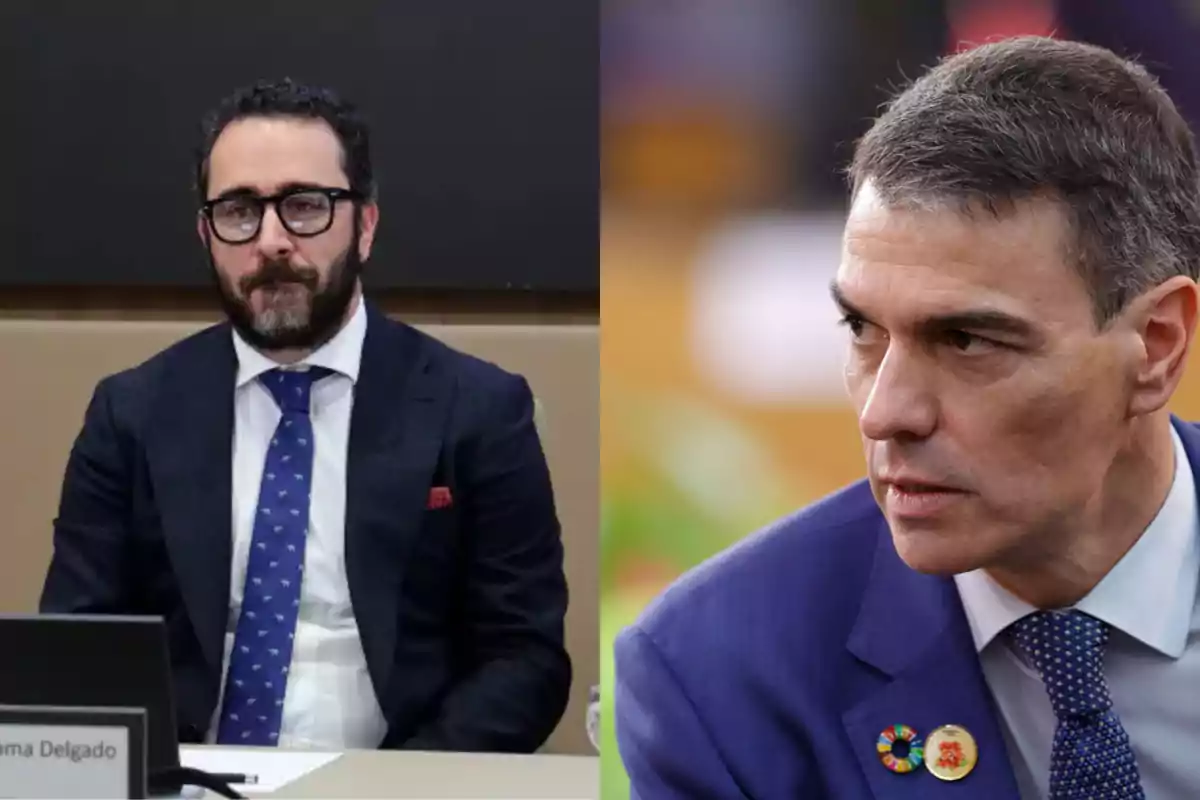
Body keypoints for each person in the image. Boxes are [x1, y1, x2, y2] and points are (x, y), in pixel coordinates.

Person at [614, 36, 1200, 800]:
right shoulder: (718, 675)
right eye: (862, 330)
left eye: (966, 340)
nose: (886, 412)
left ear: (1156, 346)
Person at [40, 78, 571, 753]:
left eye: (304, 206)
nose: (271, 240)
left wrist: (398, 791)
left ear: (366, 226)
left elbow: (523, 660)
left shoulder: (480, 411)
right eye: (238, 210)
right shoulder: (131, 414)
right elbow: (77, 646)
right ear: (206, 234)